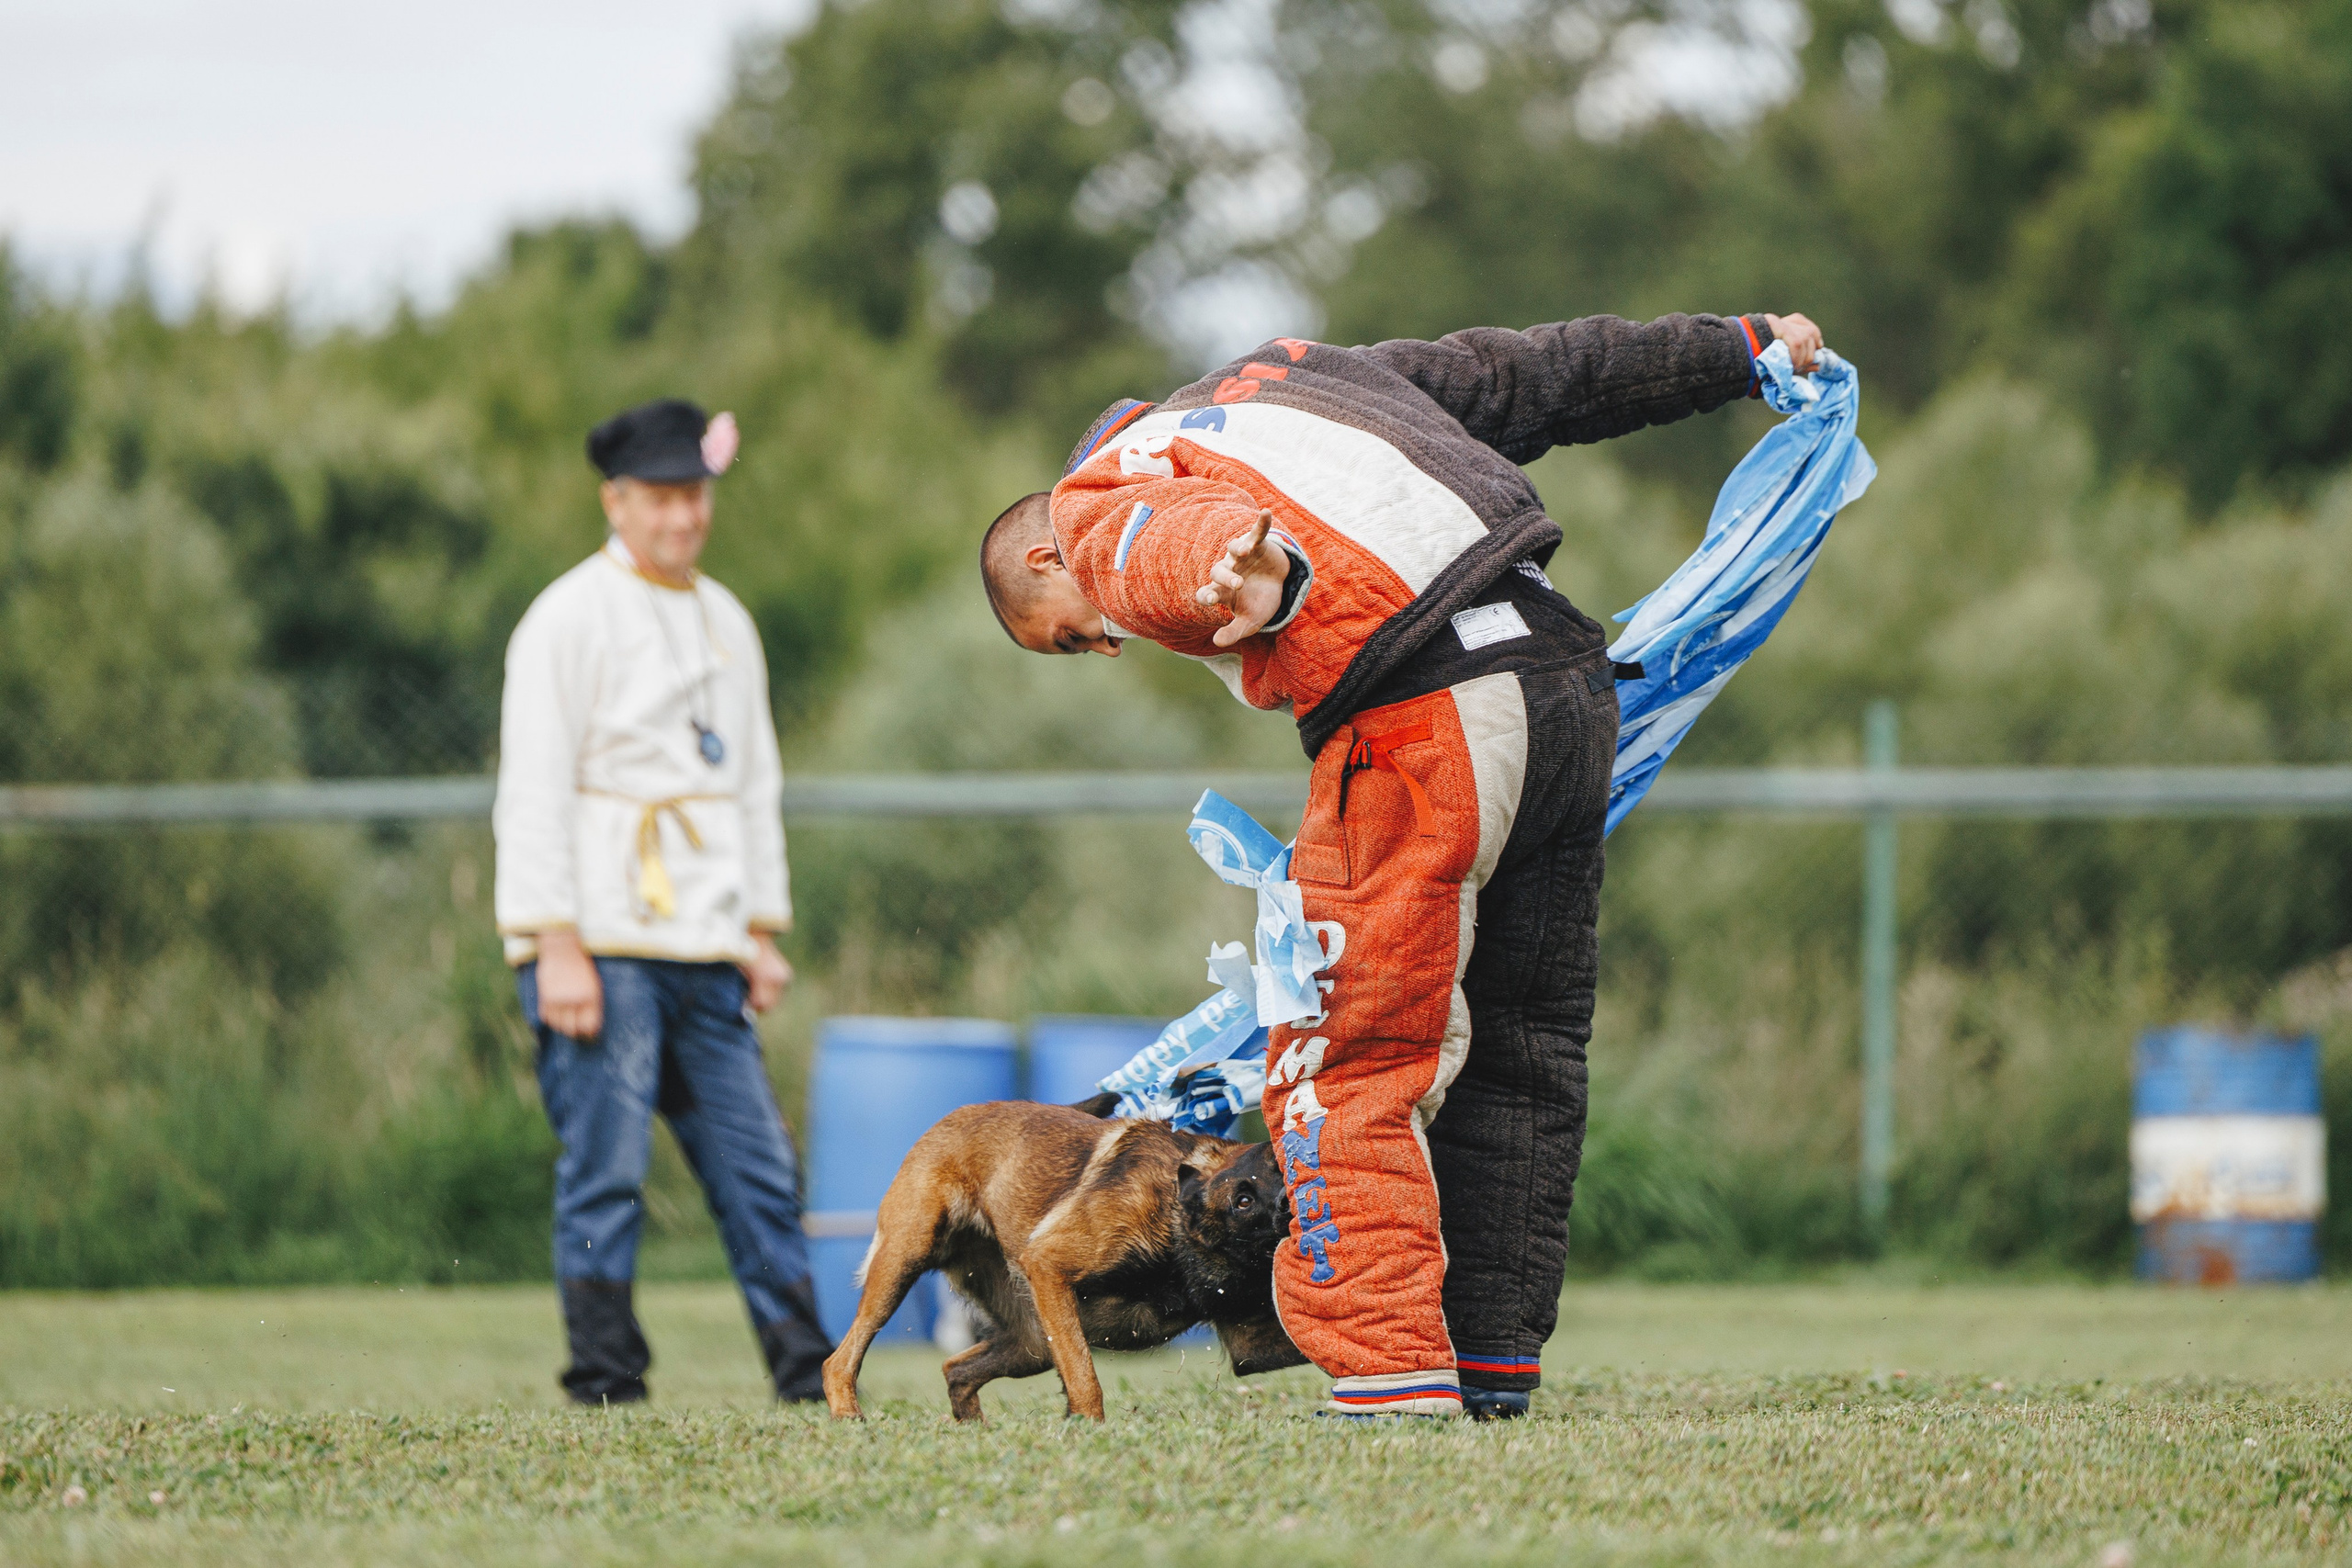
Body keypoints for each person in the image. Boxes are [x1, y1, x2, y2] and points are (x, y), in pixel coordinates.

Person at [980, 310, 1823, 1419]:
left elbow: (1152, 546)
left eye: (1068, 634)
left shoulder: (1099, 493)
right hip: (1563, 686)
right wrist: (1739, 347)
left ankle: (1390, 1373)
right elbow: (1534, 376)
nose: (1103, 647)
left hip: (1420, 710)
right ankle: (1490, 1368)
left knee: (1345, 1054)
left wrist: (1239, 571)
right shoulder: (1305, 381)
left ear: (1044, 556)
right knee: (1520, 1046)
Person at [494, 397, 831, 1404]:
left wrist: (758, 929)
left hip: (704, 941)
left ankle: (810, 1372)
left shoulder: (725, 618)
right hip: (598, 936)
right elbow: (534, 785)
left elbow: (752, 780)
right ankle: (604, 1377)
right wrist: (553, 939)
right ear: (617, 500)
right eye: (661, 498)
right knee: (606, 1166)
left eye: (695, 496)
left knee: (758, 1168)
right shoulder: (565, 617)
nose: (683, 517)